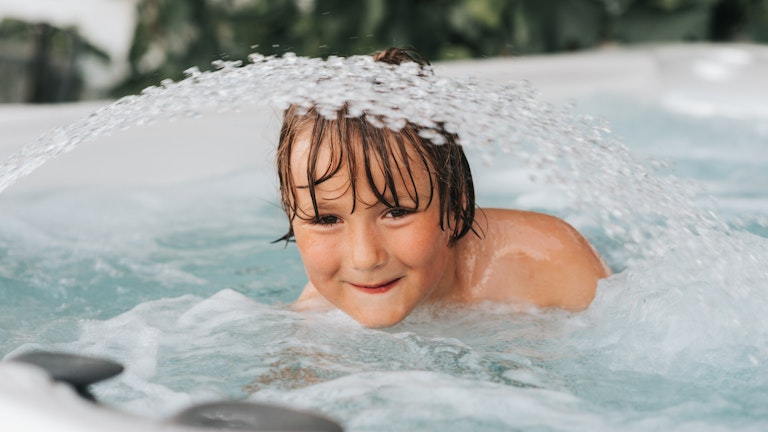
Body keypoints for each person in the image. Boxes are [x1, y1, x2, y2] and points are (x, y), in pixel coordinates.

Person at [276, 48, 610, 328]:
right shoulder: (316, 320)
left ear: (455, 206)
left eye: (396, 212)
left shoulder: (549, 260)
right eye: (325, 220)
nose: (365, 259)